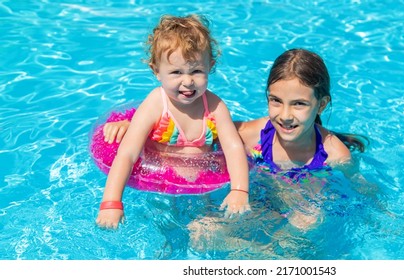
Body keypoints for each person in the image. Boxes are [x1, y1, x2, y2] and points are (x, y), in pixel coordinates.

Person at [103, 48, 372, 229]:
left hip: (300, 211)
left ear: (321, 105)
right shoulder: (249, 134)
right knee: (202, 231)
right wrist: (136, 125)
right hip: (257, 207)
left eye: (299, 104)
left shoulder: (336, 155)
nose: (285, 115)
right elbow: (193, 131)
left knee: (307, 220)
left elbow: (359, 190)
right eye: (275, 101)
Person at [96, 14, 250, 229]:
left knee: (206, 226)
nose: (187, 81)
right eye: (176, 72)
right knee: (166, 227)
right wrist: (111, 203)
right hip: (161, 184)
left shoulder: (215, 106)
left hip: (200, 183)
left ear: (210, 66)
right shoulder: (156, 104)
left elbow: (234, 147)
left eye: (196, 71)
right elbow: (128, 153)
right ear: (156, 71)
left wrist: (239, 190)